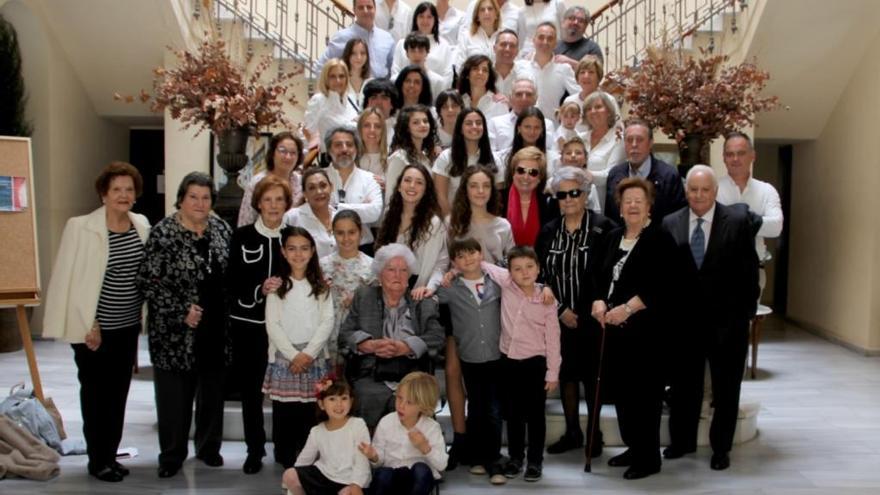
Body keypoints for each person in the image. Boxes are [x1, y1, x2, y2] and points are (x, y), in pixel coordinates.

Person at [43, 162, 149, 482]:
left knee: (118, 395)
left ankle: (110, 454)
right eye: (116, 189)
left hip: (127, 327)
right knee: (95, 395)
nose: (123, 195)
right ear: (103, 194)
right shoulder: (81, 226)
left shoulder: (141, 224)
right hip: (93, 330)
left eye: (129, 189)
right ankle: (97, 460)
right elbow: (68, 278)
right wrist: (88, 323)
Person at [661, 165, 760, 471]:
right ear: (686, 190)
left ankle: (721, 449)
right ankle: (682, 442)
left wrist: (745, 315)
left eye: (705, 190)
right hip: (684, 324)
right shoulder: (670, 222)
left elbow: (749, 271)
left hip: (727, 324)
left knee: (726, 389)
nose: (699, 195)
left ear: (715, 192)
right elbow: (664, 277)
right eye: (693, 189)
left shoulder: (738, 222)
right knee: (683, 387)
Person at [138, 172, 232, 479]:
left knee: (212, 394)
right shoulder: (163, 233)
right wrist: (181, 310)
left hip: (215, 328)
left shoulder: (220, 229)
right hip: (175, 332)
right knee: (174, 398)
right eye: (193, 196)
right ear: (181, 198)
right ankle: (172, 454)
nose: (200, 203)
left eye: (206, 198)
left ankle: (208, 448)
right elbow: (148, 281)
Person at [590, 177, 678, 480]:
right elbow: (598, 277)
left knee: (645, 397)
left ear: (649, 205)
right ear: (620, 206)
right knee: (625, 396)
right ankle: (633, 447)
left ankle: (649, 457)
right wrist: (599, 301)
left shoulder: (660, 239)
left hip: (647, 335)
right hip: (614, 333)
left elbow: (663, 286)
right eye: (627, 201)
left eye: (639, 201)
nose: (632, 206)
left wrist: (627, 308)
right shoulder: (612, 237)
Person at [536, 167, 615, 457]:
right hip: (558, 318)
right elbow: (539, 276)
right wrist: (560, 310)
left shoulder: (603, 227)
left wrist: (592, 305)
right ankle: (572, 432)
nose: (568, 199)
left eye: (574, 193)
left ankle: (594, 434)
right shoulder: (548, 231)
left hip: (593, 318)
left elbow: (609, 273)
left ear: (584, 194)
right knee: (567, 375)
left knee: (592, 378)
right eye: (562, 195)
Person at [338, 244, 446, 429]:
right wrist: (368, 345)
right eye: (391, 269)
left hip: (412, 374)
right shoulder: (365, 296)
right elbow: (345, 334)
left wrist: (407, 346)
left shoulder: (421, 301)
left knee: (414, 396)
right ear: (380, 274)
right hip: (371, 373)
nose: (398, 275)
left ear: (409, 275)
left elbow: (437, 336)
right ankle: (371, 453)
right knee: (368, 395)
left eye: (403, 270)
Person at [225, 175, 291, 474]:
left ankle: (283, 447)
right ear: (258, 204)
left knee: (280, 391)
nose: (273, 205)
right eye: (268, 200)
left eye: (279, 199)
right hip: (248, 325)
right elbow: (232, 280)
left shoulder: (294, 238)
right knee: (251, 391)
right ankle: (254, 449)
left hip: (285, 329)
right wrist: (258, 289)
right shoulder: (241, 237)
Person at [482, 247, 561, 483]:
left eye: (529, 267)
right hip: (508, 361)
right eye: (517, 269)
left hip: (535, 363)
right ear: (510, 273)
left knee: (536, 415)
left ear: (538, 269)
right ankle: (516, 458)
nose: (524, 272)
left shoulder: (547, 300)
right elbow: (483, 265)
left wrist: (552, 373)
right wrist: (453, 271)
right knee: (514, 414)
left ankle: (535, 461)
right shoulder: (506, 284)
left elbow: (554, 340)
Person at [262, 227, 334, 468]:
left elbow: (327, 321)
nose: (298, 254)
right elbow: (273, 324)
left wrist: (308, 354)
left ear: (312, 251)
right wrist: (294, 355)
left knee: (310, 411)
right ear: (283, 252)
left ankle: (308, 454)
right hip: (286, 357)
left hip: (313, 357)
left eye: (304, 248)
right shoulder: (277, 287)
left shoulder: (321, 286)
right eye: (292, 248)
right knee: (285, 410)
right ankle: (284, 454)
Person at [436, 239, 506, 484]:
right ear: (454, 261)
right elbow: (433, 293)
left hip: (496, 355)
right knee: (476, 408)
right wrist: (448, 275)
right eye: (461, 256)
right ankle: (477, 457)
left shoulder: (496, 281)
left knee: (494, 410)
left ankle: (494, 460)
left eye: (472, 253)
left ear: (481, 254)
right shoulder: (450, 288)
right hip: (470, 356)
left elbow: (518, 279)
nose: (468, 259)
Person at [716, 131, 783, 295]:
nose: (735, 159)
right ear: (724, 158)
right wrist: (755, 222)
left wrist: (735, 219)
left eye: (741, 153)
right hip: (716, 272)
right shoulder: (713, 190)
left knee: (748, 321)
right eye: (730, 154)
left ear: (753, 156)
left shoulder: (767, 191)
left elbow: (776, 227)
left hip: (754, 272)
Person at [359, 372, 448, 494]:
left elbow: (442, 465)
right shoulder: (386, 422)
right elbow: (378, 463)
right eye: (399, 398)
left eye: (409, 402)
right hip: (393, 476)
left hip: (416, 481)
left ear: (423, 406)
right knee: (382, 474)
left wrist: (425, 447)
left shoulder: (431, 427)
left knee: (421, 470)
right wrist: (373, 456)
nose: (401, 405)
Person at [282, 379, 371, 495]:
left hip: (348, 481)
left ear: (351, 401)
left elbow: (362, 461)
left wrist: (356, 484)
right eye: (332, 399)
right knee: (289, 474)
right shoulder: (317, 431)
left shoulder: (358, 424)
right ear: (322, 404)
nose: (339, 404)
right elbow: (304, 460)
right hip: (323, 476)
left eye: (344, 398)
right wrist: (294, 478)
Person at [376, 164, 449, 293]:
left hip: (418, 290)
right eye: (407, 180)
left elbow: (441, 264)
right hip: (388, 288)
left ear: (426, 190)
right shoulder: (389, 214)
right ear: (399, 186)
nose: (412, 186)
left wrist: (429, 288)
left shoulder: (434, 224)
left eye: (419, 182)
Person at [320, 210, 376, 372]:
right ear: (332, 233)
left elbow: (377, 307)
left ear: (361, 233)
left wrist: (359, 302)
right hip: (327, 335)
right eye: (340, 233)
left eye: (351, 232)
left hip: (358, 337)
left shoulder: (372, 267)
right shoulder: (321, 266)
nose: (346, 239)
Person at [604, 119, 686, 221]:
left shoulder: (669, 176)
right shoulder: (614, 175)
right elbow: (609, 219)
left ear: (651, 143)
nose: (634, 145)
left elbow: (678, 220)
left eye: (639, 140)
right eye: (629, 140)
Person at [322, 126, 384, 252]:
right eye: (338, 145)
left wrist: (336, 207)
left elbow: (375, 212)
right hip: (326, 250)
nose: (344, 149)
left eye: (349, 144)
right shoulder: (319, 178)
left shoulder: (370, 179)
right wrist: (361, 207)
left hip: (363, 249)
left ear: (356, 149)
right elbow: (316, 212)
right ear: (329, 150)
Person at [433, 108, 501, 216]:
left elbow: (497, 197)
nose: (474, 126)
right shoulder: (446, 157)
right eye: (469, 123)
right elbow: (441, 196)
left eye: (478, 123)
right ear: (460, 128)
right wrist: (452, 224)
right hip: (454, 222)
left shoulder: (494, 159)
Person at [448, 165, 514, 264]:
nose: (481, 191)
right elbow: (444, 263)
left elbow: (513, 262)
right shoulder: (452, 223)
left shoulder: (504, 225)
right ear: (465, 189)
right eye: (474, 186)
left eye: (486, 186)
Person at [517, 22, 580, 125]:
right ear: (534, 40)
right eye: (541, 37)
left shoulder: (564, 69)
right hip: (523, 128)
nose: (545, 42)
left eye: (550, 38)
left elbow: (579, 95)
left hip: (552, 129)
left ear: (555, 43)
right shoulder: (520, 66)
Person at [237, 132, 304, 227]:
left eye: (293, 153)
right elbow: (245, 220)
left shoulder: (302, 182)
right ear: (272, 153)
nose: (288, 157)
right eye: (282, 151)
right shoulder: (257, 182)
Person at [317, 0, 394, 79]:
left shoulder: (387, 39)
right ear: (354, 11)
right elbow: (321, 66)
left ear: (375, 9)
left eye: (369, 7)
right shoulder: (342, 37)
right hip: (352, 89)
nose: (366, 11)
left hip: (380, 89)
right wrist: (328, 89)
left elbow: (393, 70)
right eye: (361, 8)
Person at [500, 145, 557, 246]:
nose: (526, 177)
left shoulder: (550, 205)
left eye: (533, 173)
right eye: (521, 171)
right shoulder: (497, 199)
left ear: (540, 178)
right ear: (513, 172)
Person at [385, 105, 438, 206]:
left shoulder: (425, 158)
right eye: (416, 122)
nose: (422, 125)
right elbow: (390, 198)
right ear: (407, 128)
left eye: (425, 121)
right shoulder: (399, 157)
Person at [391, 3, 455, 86]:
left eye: (429, 17)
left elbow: (448, 77)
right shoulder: (402, 44)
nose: (425, 21)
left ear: (435, 20)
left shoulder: (444, 46)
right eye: (421, 16)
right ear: (415, 19)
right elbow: (395, 73)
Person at [580, 91, 624, 212]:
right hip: (576, 203)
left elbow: (612, 175)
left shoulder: (618, 140)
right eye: (589, 109)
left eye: (598, 107)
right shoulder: (579, 138)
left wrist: (588, 175)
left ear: (609, 111)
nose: (593, 111)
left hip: (603, 206)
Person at [487, 78, 555, 153]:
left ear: (536, 99)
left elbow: (549, 154)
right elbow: (491, 156)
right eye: (518, 94)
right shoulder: (495, 123)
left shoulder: (547, 124)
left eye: (529, 94)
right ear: (510, 98)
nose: (524, 99)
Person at [304, 59, 359, 151]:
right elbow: (308, 131)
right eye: (332, 77)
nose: (338, 81)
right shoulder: (318, 100)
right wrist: (355, 123)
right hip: (329, 158)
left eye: (341, 76)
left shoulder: (351, 99)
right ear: (326, 78)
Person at [284, 168, 338, 258]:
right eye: (312, 188)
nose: (319, 192)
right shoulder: (293, 217)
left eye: (323, 185)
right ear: (305, 193)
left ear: (331, 187)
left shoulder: (339, 216)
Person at [555, 136, 602, 211]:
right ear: (561, 159)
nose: (573, 156)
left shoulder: (591, 187)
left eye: (578, 153)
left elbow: (596, 212)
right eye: (568, 153)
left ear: (586, 159)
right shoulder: (552, 184)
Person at [457, 54, 509, 120]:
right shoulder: (459, 101)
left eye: (485, 70)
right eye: (475, 69)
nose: (480, 72)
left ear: (489, 76)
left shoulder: (499, 103)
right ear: (467, 74)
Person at [457, 0, 502, 66]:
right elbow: (460, 65)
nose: (486, 12)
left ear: (496, 14)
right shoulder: (466, 36)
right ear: (477, 17)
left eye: (490, 9)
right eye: (482, 10)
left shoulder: (504, 37)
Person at [357, 107, 389, 187]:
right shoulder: (351, 157)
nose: (372, 130)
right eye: (367, 125)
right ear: (360, 129)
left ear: (383, 130)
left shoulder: (392, 157)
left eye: (377, 126)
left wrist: (387, 186)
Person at [362, 78, 401, 144]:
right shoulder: (358, 128)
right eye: (374, 98)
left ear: (392, 104)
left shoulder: (400, 129)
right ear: (367, 103)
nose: (379, 102)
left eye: (384, 98)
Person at [342, 38, 372, 110]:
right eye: (353, 53)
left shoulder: (371, 83)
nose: (359, 57)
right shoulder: (340, 81)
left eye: (362, 53)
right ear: (347, 55)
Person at [493, 29, 524, 97]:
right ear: (494, 48)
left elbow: (531, 104)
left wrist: (511, 104)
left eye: (512, 46)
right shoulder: (484, 74)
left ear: (517, 52)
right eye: (503, 44)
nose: (507, 49)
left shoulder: (524, 77)